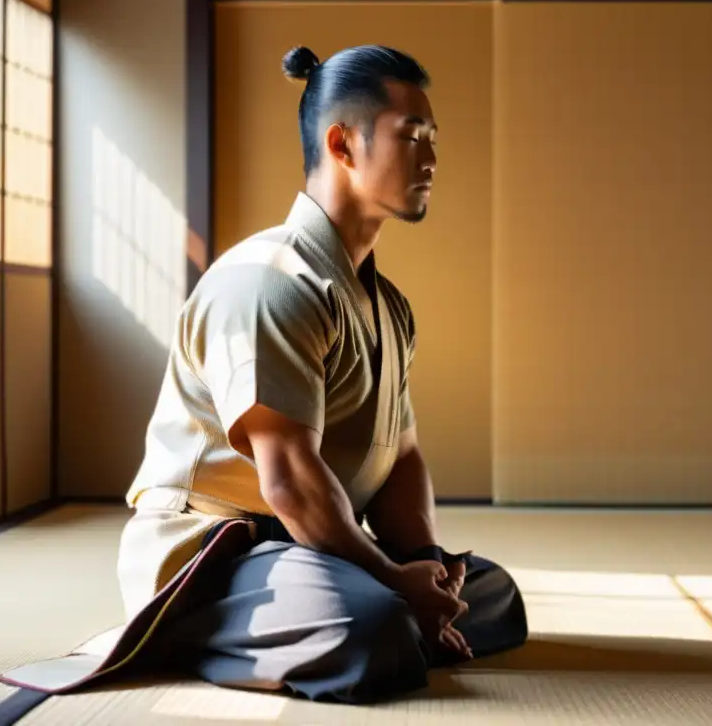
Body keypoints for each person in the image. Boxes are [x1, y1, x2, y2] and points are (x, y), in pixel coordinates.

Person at [111, 44, 529, 703]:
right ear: (342, 143)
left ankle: (385, 609)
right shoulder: (269, 282)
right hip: (217, 554)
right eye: (411, 136)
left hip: (312, 552)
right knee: (373, 626)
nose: (431, 157)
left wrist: (424, 567)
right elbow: (290, 481)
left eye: (434, 139)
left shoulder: (386, 305)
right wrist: (395, 585)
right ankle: (183, 628)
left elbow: (401, 459)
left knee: (494, 594)